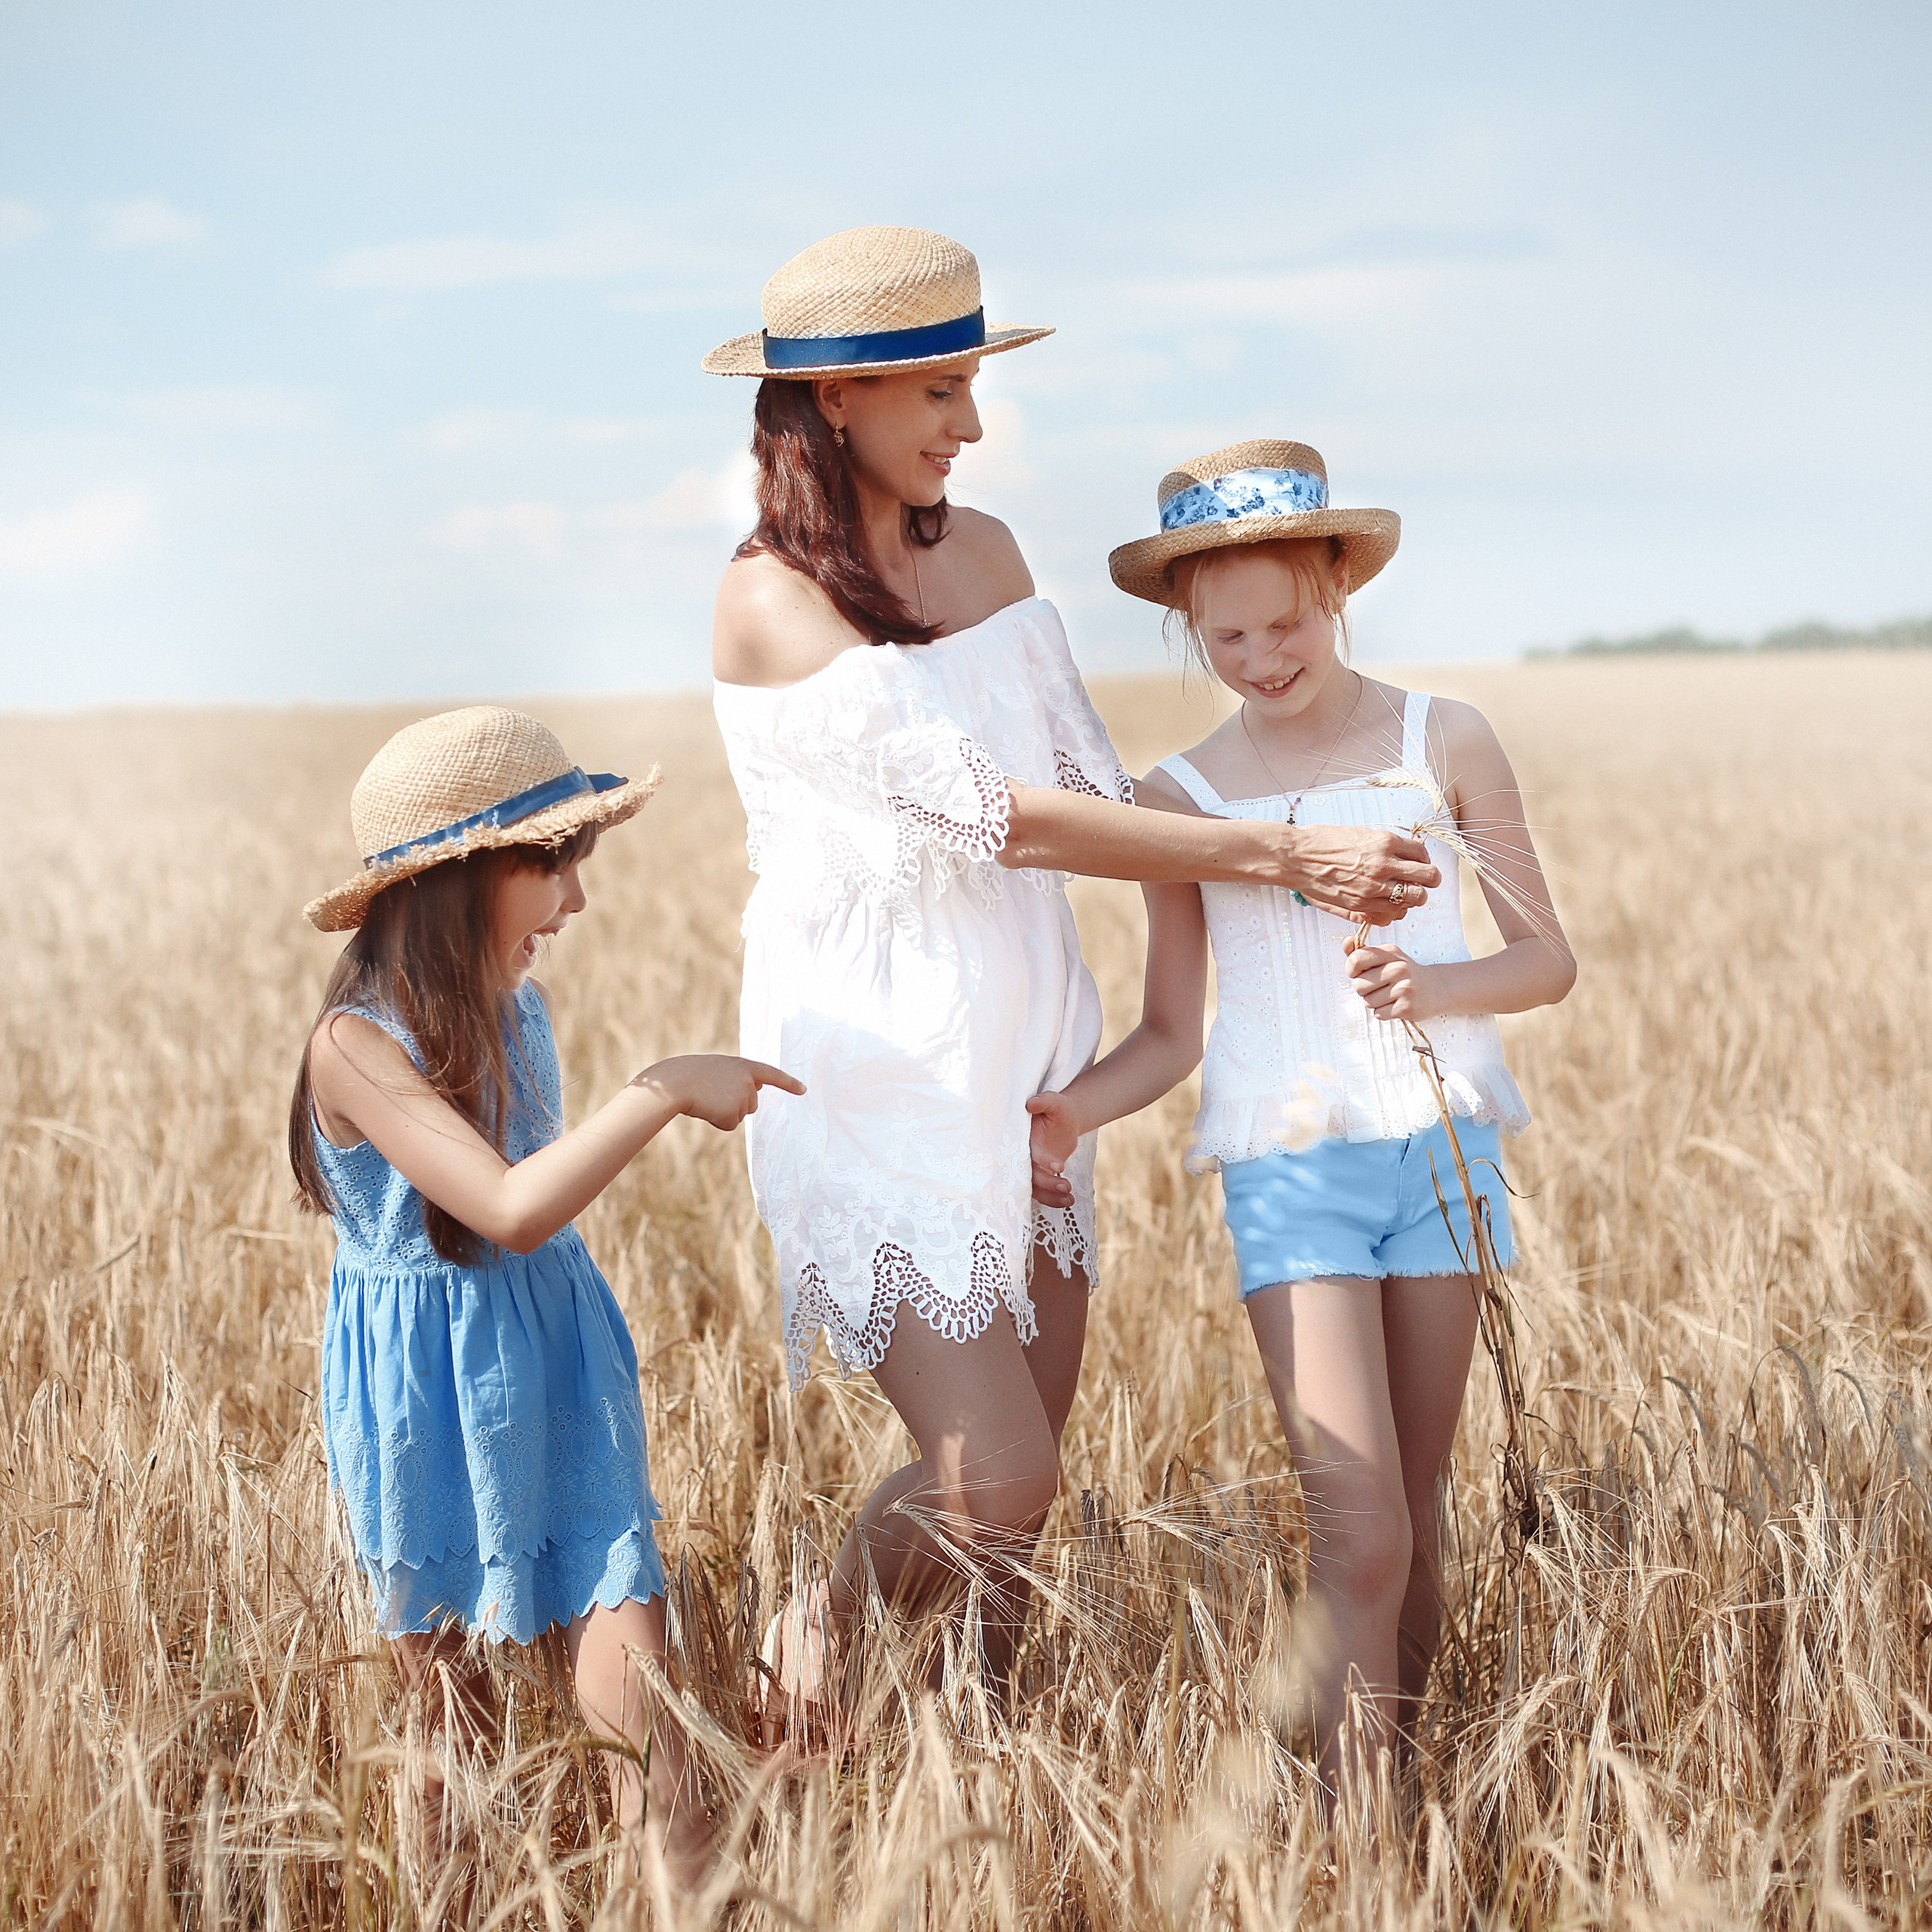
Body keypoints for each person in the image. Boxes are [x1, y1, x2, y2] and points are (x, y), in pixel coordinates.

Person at [703, 231, 1442, 1725]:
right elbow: (999, 812)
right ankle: (814, 1625)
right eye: (942, 391)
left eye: (970, 387)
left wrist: (1310, 817)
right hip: (882, 1064)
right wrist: (1277, 857)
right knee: (993, 1472)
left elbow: (1083, 777)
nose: (968, 428)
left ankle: (962, 1784)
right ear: (834, 401)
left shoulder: (983, 556)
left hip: (1027, 1045)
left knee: (1012, 1523)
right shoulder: (770, 599)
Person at [1026, 438, 1576, 1793]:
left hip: (1444, 1155)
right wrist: (1064, 1116)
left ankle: (1410, 1791)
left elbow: (1546, 958)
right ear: (1185, 625)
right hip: (1289, 1168)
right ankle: (1360, 1846)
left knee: (1422, 1526)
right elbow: (1169, 1031)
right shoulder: (1182, 800)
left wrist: (1434, 979)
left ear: (1340, 581)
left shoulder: (1440, 737)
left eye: (1288, 623)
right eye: (1228, 637)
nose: (1265, 657)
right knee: (1362, 1532)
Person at [290, 704, 801, 1884]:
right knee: (449, 1739)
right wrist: (663, 1089)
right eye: (555, 864)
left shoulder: (519, 1007)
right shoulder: (354, 1048)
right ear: (465, 874)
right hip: (426, 1398)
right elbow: (505, 1207)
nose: (576, 900)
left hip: (557, 1358)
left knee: (643, 1702)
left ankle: (677, 1903)